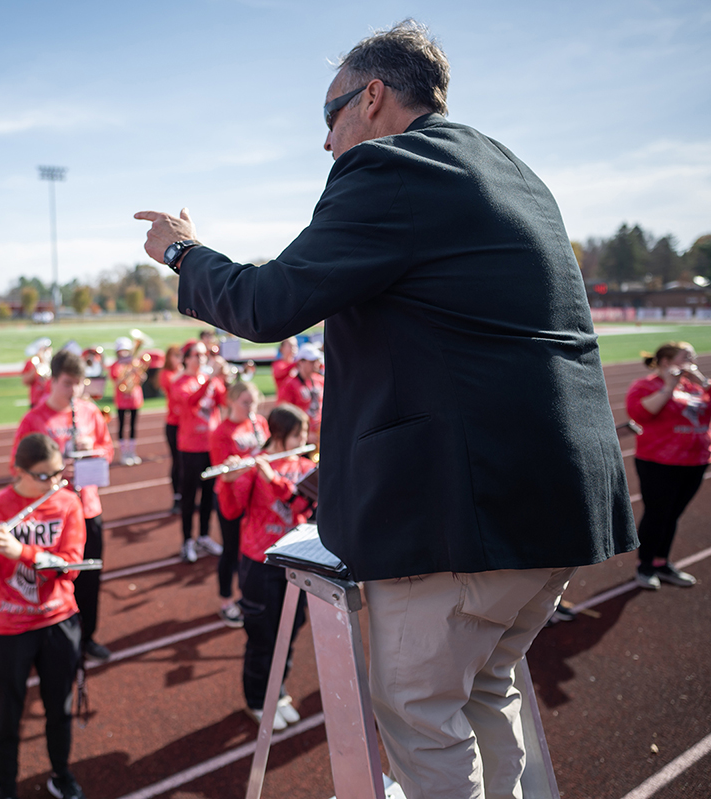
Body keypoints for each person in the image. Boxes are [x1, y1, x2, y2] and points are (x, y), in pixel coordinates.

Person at [135, 20, 634, 798]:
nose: (326, 143)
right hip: (559, 502)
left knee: (419, 719)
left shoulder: (390, 168)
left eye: (328, 118)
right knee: (486, 692)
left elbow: (268, 302)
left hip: (458, 515)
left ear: (371, 98)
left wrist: (182, 251)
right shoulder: (509, 167)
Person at [0, 433, 87, 799]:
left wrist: (21, 551)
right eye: (45, 476)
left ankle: (60, 773)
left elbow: (71, 568)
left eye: (59, 472)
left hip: (58, 620)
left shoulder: (67, 504)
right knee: (5, 716)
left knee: (59, 709)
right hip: (8, 628)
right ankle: (7, 788)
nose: (55, 482)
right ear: (19, 472)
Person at [217, 405, 314, 731]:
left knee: (290, 629)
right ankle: (258, 700)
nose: (304, 439)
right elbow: (231, 512)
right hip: (260, 562)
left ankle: (279, 691)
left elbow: (305, 505)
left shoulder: (303, 465)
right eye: (298, 434)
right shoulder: (254, 464)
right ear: (279, 433)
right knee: (262, 635)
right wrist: (230, 481)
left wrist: (273, 480)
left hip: (296, 561)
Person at [14, 350, 114, 664]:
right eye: (68, 383)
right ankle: (51, 639)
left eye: (80, 384)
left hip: (87, 508)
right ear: (52, 381)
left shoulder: (89, 411)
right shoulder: (34, 419)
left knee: (90, 578)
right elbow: (17, 468)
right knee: (51, 578)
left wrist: (92, 450)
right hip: (52, 514)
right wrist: (56, 470)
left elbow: (108, 451)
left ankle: (87, 638)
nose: (75, 391)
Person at [625, 342, 708, 589]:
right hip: (659, 462)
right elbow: (640, 413)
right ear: (665, 361)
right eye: (686, 357)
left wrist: (703, 382)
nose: (692, 360)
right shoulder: (646, 385)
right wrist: (669, 387)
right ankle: (645, 566)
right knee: (657, 514)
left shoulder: (695, 386)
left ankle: (662, 563)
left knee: (673, 515)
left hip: (695, 461)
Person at [209, 381, 268, 627]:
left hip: (257, 495)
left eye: (253, 402)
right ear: (231, 401)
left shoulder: (260, 422)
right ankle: (226, 600)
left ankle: (249, 594)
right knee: (231, 550)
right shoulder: (221, 432)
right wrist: (239, 465)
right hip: (231, 496)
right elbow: (223, 475)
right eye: (245, 403)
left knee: (253, 547)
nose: (251, 407)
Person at [169, 340, 227, 563]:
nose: (201, 358)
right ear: (186, 358)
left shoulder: (209, 379)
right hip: (190, 447)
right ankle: (187, 540)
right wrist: (210, 380)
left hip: (211, 447)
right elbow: (190, 402)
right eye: (196, 354)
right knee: (189, 496)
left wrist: (226, 379)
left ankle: (203, 535)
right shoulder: (179, 381)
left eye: (204, 354)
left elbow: (224, 400)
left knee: (208, 495)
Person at [276, 343, 324, 445]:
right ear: (301, 362)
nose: (316, 365)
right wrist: (304, 433)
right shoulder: (289, 384)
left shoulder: (320, 380)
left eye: (316, 361)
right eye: (311, 362)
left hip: (319, 433)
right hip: (301, 436)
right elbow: (284, 414)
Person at [108, 337, 144, 466]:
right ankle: (124, 453)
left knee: (133, 425)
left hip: (134, 398)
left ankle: (132, 452)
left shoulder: (134, 362)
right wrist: (128, 373)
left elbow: (141, 379)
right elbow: (116, 382)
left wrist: (138, 372)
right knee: (122, 425)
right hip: (122, 399)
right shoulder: (115, 365)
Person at [157, 344, 184, 513]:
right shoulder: (167, 374)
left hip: (187, 423)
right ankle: (177, 497)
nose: (178, 359)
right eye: (176, 355)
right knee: (177, 462)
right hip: (174, 423)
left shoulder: (181, 372)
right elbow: (174, 386)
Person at [22, 339, 53, 410]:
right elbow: (25, 381)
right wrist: (37, 367)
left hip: (50, 400)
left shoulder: (53, 362)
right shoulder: (32, 362)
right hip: (36, 401)